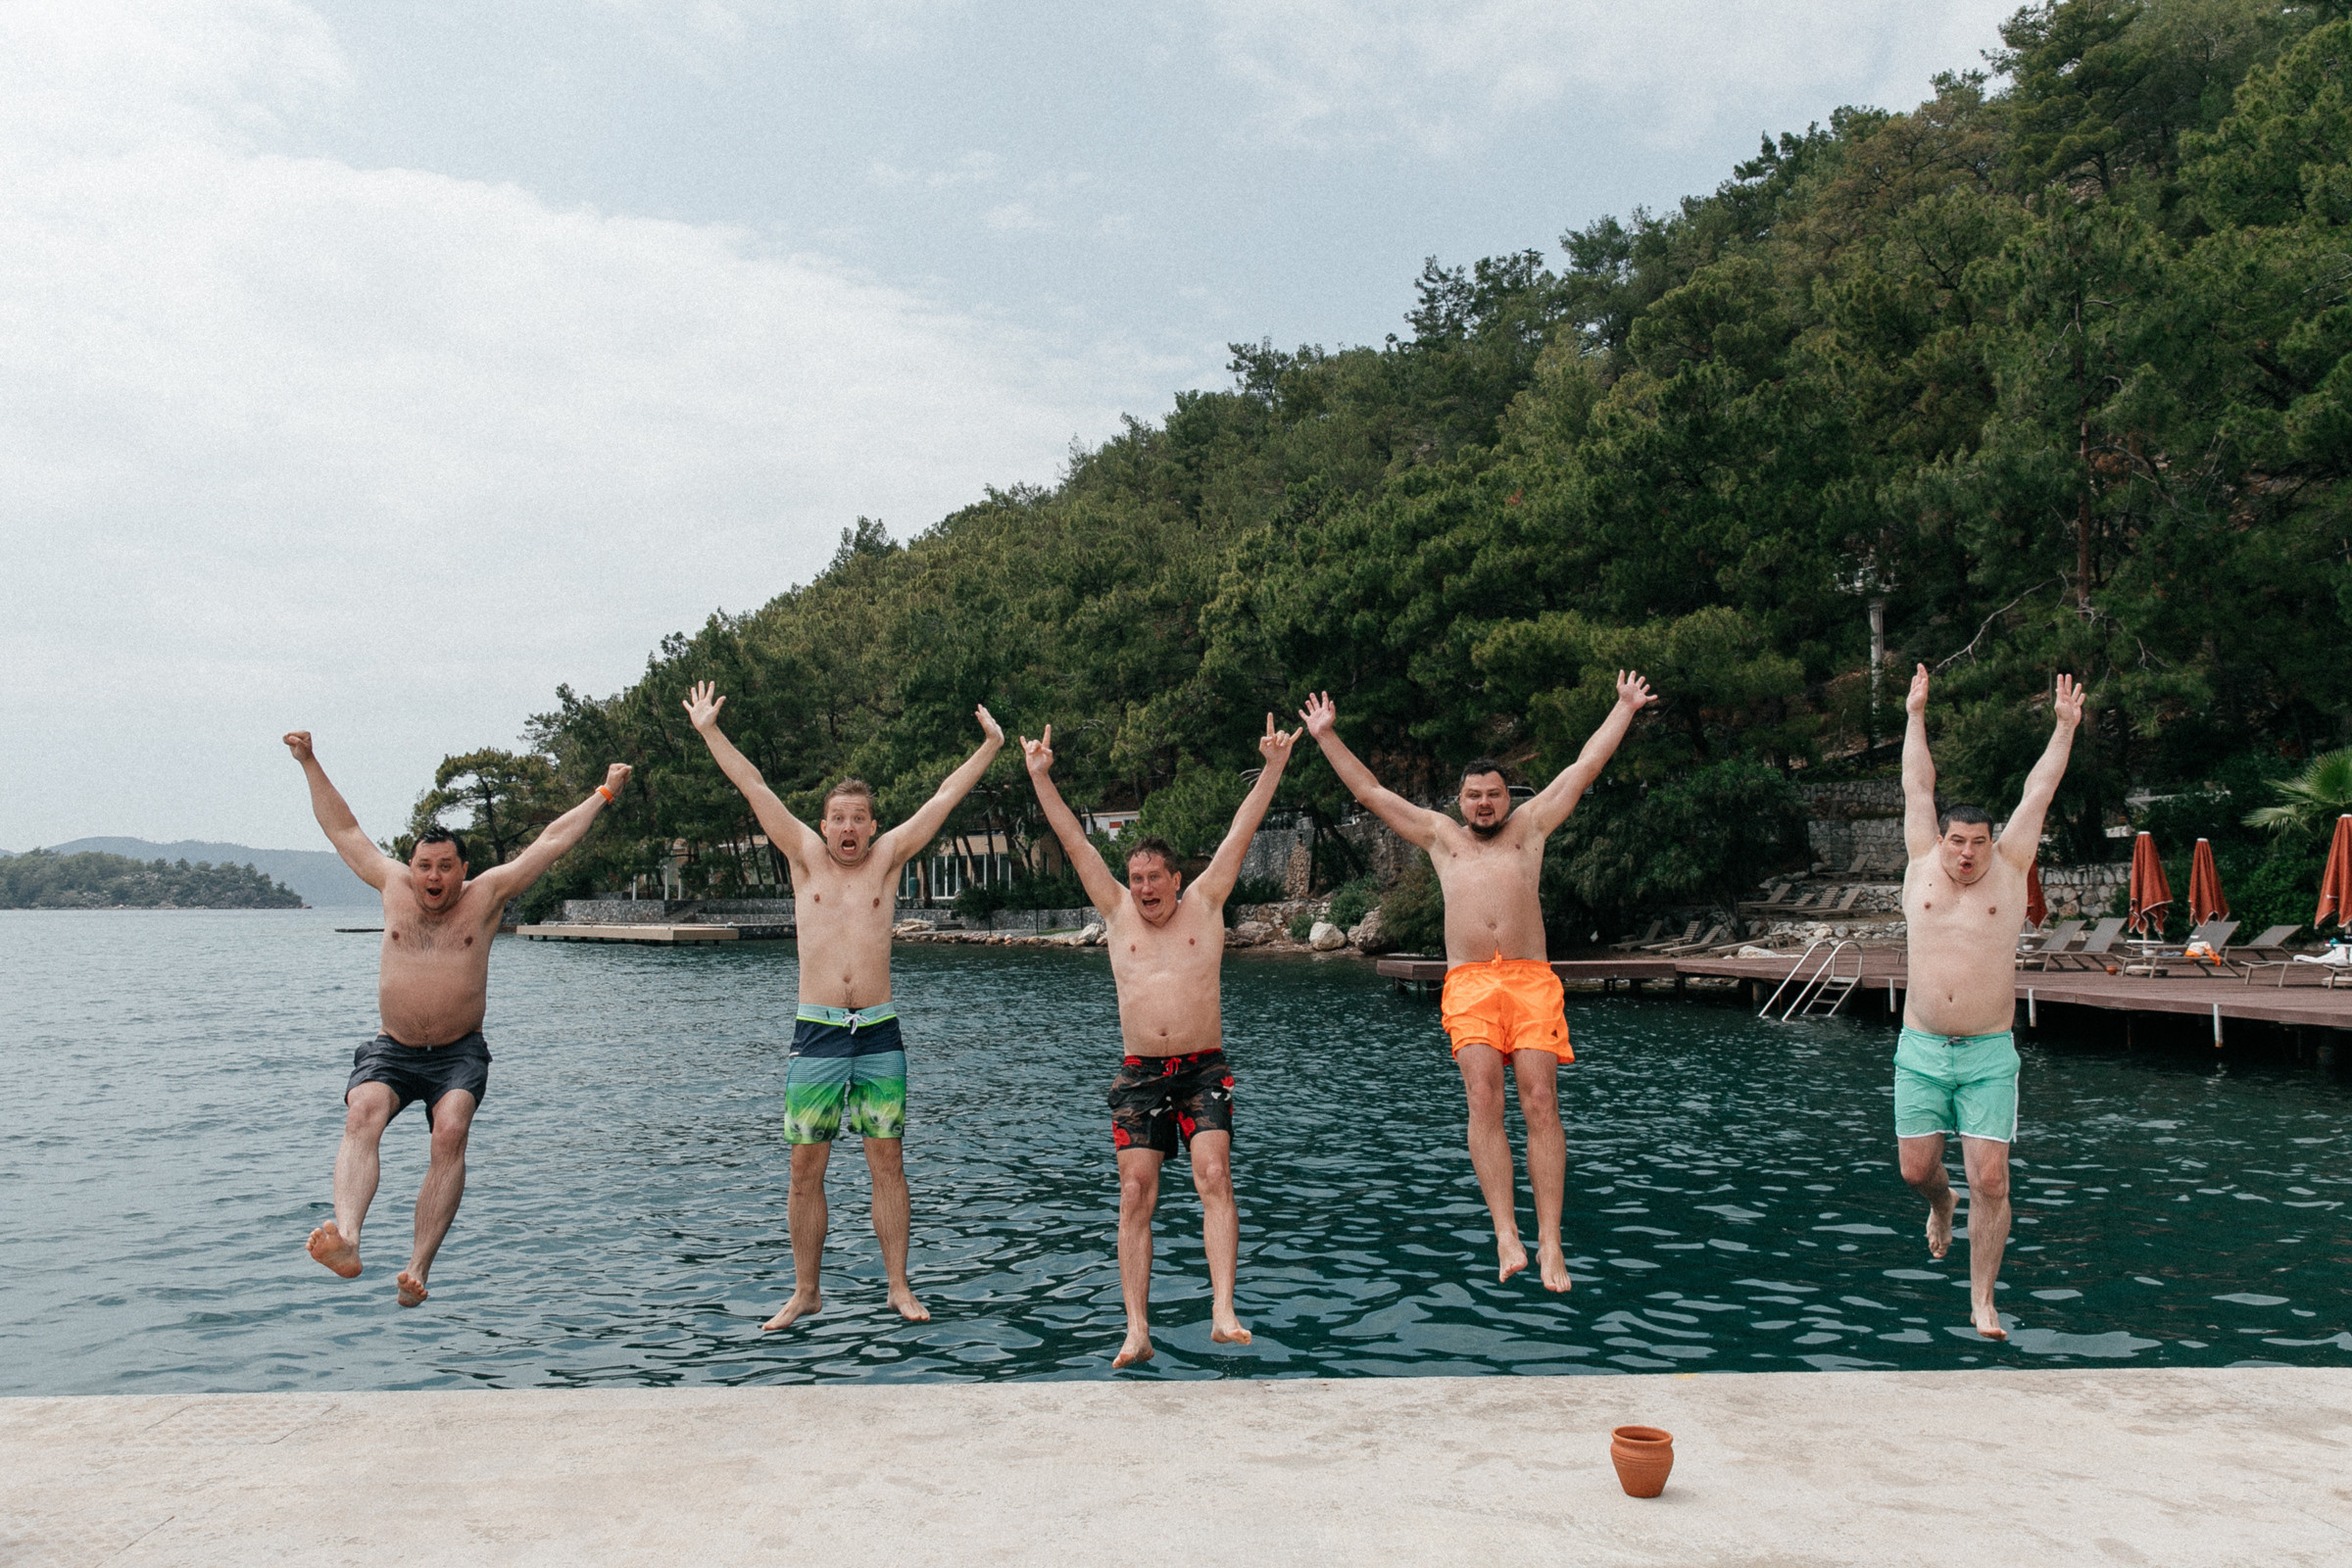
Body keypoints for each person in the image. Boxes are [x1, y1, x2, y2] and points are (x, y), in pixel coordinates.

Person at [1300, 675, 1653, 1293]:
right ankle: (1506, 1233)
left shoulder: (1532, 825)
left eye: (1493, 794)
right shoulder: (1442, 838)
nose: (1484, 804)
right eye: (1473, 796)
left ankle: (1550, 1240)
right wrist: (1327, 736)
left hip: (1530, 979)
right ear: (1459, 801)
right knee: (1484, 1097)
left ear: (1508, 797)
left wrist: (1623, 708)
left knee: (1540, 1100)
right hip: (1467, 982)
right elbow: (1370, 791)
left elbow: (1585, 767)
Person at [683, 679, 1004, 1330]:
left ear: (872, 826)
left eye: (859, 818)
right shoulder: (804, 858)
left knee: (889, 1163)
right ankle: (806, 1291)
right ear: (824, 823)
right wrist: (710, 731)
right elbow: (754, 786)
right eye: (839, 818)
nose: (848, 828)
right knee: (806, 1170)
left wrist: (991, 746)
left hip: (879, 1032)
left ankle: (898, 1287)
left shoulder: (888, 859)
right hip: (818, 1033)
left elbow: (944, 797)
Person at [286, 730, 630, 1307]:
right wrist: (309, 761)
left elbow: (549, 842)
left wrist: (604, 792)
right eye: (425, 866)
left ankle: (418, 1268)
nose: (434, 878)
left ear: (463, 868)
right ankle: (348, 1238)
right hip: (393, 1047)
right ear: (412, 866)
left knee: (450, 1131)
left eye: (446, 867)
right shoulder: (391, 884)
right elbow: (343, 829)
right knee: (362, 1111)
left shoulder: (487, 894)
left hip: (457, 1053)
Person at [1021, 714, 1300, 1367]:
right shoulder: (1117, 912)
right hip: (1140, 1074)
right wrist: (1040, 777)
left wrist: (1274, 766)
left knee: (1214, 1174)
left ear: (1177, 879)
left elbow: (1241, 831)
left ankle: (1223, 1310)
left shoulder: (1207, 901)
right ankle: (1137, 1330)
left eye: (1154, 878)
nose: (1144, 889)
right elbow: (1075, 842)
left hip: (1203, 1070)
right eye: (1137, 878)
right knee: (1135, 1194)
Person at [1897, 663, 2082, 1340]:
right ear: (1942, 839)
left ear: (1991, 841)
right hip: (1921, 1047)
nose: (1968, 854)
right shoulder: (1920, 861)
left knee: (1994, 1180)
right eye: (1959, 842)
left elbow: (2041, 788)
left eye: (1979, 842)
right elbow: (1918, 785)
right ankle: (1940, 1203)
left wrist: (2064, 728)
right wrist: (1915, 715)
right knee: (1916, 1170)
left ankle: (1982, 1300)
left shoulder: (2010, 867)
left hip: (1987, 1054)